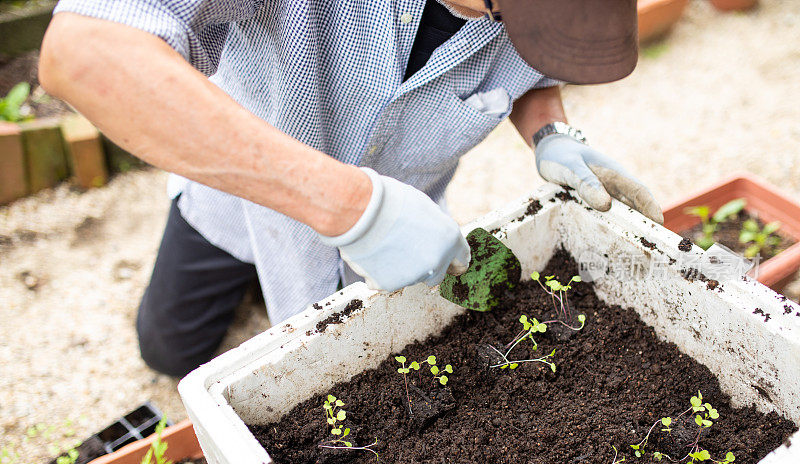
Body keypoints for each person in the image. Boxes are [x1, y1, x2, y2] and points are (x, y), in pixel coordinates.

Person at [39, 0, 663, 376]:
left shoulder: (522, 18)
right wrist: (352, 208)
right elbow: (84, 53)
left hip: (404, 226)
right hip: (242, 206)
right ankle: (257, 283)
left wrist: (551, 131)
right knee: (169, 351)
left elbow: (530, 63)